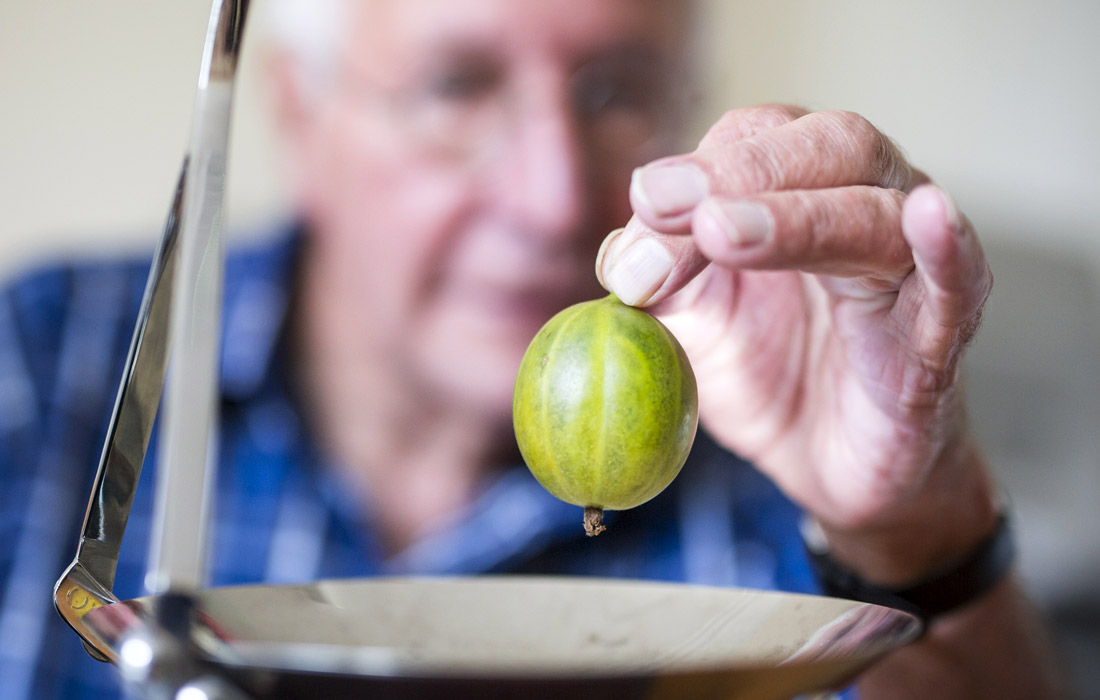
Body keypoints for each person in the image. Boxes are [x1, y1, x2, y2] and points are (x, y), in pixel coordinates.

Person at [0, 0, 1068, 698]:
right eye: (457, 87)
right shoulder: (42, 373)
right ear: (297, 114)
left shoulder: (779, 454)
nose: (552, 196)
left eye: (617, 91)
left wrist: (907, 523)